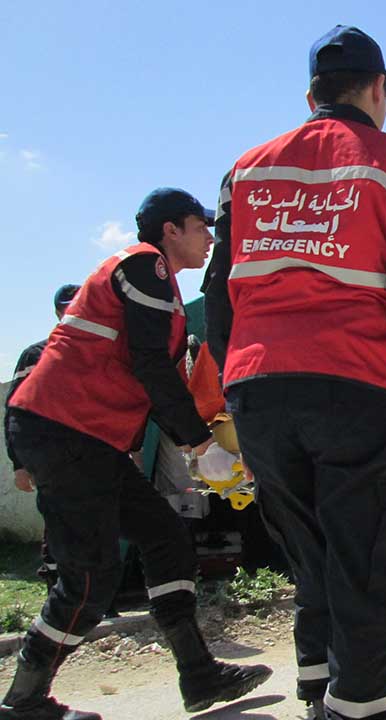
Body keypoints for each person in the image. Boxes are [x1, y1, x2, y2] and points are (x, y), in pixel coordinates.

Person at [204, 25, 386, 720]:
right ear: (378, 89)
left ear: (310, 96)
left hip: (258, 389)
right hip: (354, 384)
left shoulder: (245, 172)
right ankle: (362, 707)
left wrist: (237, 396)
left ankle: (315, 689)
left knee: (313, 556)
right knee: (369, 562)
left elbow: (219, 298)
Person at [2, 189, 272, 720]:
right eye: (200, 226)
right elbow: (149, 366)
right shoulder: (144, 265)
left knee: (165, 536)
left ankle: (199, 674)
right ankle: (24, 701)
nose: (209, 237)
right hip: (65, 432)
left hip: (85, 438)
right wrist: (200, 444)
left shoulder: (162, 288)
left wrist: (195, 444)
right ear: (170, 230)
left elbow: (151, 381)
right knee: (88, 579)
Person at [4, 284, 79, 590]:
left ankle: (102, 601)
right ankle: (56, 590)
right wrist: (19, 464)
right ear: (58, 313)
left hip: (91, 454)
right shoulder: (35, 355)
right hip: (51, 457)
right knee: (58, 523)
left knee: (96, 526)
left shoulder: (96, 353)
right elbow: (15, 410)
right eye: (67, 309)